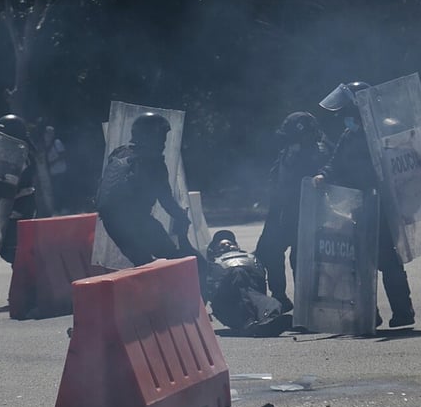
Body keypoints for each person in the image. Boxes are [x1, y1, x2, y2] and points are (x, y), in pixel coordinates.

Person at [313, 81, 416, 328]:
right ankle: (370, 314)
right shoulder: (350, 135)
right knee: (359, 262)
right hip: (358, 207)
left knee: (387, 262)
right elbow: (335, 163)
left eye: (346, 111)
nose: (342, 117)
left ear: (357, 107)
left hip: (383, 207)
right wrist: (323, 176)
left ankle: (403, 311)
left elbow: (404, 166)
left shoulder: (384, 131)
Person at [254, 112, 331, 313]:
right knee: (269, 252)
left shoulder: (320, 152)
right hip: (282, 214)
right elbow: (276, 178)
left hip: (307, 214)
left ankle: (306, 303)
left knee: (301, 258)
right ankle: (279, 297)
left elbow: (326, 180)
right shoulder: (288, 151)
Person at [95, 112, 194, 266]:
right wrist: (182, 216)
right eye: (162, 137)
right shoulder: (153, 162)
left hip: (112, 224)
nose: (164, 142)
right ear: (151, 136)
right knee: (173, 261)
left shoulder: (119, 153)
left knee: (144, 265)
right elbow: (166, 200)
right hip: (137, 221)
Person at [204, 230, 290, 336]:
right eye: (222, 245)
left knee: (272, 303)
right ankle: (248, 323)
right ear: (215, 250)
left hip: (252, 294)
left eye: (230, 243)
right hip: (228, 305)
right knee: (238, 273)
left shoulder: (252, 258)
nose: (227, 245)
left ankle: (269, 322)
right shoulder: (210, 265)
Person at [0, 114, 38, 265]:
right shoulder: (15, 155)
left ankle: (27, 283)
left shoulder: (22, 156)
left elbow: (13, 183)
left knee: (13, 250)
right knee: (11, 250)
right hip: (13, 207)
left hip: (20, 208)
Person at [43, 126, 69, 214]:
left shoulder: (56, 142)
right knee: (55, 192)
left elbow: (63, 154)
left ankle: (63, 208)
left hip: (60, 171)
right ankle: (57, 209)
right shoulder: (45, 145)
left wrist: (52, 162)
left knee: (60, 190)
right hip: (52, 173)